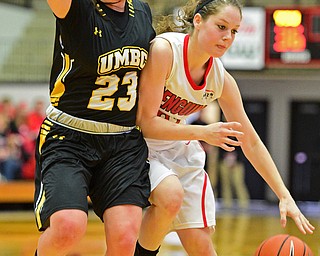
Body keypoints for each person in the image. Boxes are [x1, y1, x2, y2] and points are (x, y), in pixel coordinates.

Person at [135, 0, 315, 255]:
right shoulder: (166, 51)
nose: (227, 37)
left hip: (177, 149)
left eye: (234, 31)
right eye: (221, 26)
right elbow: (146, 123)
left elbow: (250, 141)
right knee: (171, 197)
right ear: (198, 21)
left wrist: (284, 195)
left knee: (201, 243)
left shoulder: (221, 79)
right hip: (140, 145)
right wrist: (202, 132)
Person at [34, 0, 155, 255]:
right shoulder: (77, 7)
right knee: (68, 226)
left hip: (122, 142)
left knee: (125, 237)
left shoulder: (142, 11)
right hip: (69, 137)